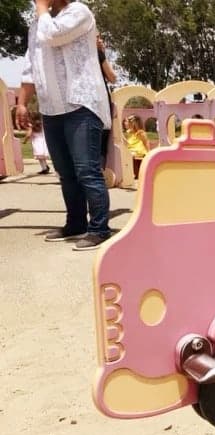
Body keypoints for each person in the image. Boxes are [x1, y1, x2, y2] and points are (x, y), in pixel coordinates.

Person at [15, 0, 112, 251]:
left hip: (81, 103)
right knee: (66, 173)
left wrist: (41, 9)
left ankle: (100, 228)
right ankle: (76, 224)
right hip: (51, 108)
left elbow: (54, 35)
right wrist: (23, 103)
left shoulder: (79, 12)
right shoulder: (38, 22)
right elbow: (30, 65)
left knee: (87, 171)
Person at [97, 32, 116, 167]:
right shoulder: (97, 54)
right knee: (101, 140)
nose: (100, 40)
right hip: (99, 100)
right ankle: (100, 173)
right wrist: (102, 53)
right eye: (96, 37)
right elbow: (112, 77)